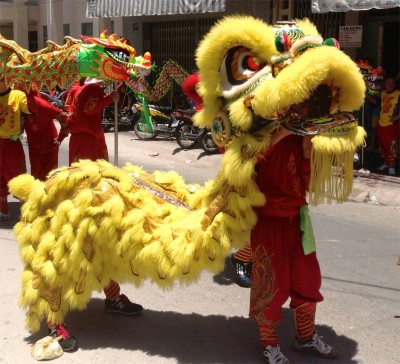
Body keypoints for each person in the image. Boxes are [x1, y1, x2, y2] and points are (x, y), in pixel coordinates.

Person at [48, 79, 143, 352]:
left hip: (90, 154)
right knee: (76, 241)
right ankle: (53, 315)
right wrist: (110, 97)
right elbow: (86, 111)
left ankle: (111, 296)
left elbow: (72, 118)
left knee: (100, 238)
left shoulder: (83, 89)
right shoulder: (90, 90)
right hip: (86, 160)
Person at [249, 126, 339, 364]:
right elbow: (244, 162)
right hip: (266, 218)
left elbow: (307, 184)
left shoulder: (300, 135)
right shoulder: (256, 129)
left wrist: (307, 147)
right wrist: (283, 133)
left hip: (297, 218)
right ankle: (269, 344)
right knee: (269, 285)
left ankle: (306, 338)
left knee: (308, 279)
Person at [0, 77, 38, 221]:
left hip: (11, 144)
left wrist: (28, 91)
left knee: (18, 178)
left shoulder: (18, 95)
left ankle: (26, 211)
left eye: (1, 78)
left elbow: (32, 109)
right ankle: (3, 210)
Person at [24, 89, 69, 181]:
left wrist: (60, 137)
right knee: (36, 179)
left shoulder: (45, 106)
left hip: (50, 145)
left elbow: (64, 118)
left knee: (50, 178)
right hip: (33, 147)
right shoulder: (20, 105)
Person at [376, 77, 400, 175]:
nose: (389, 84)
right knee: (382, 146)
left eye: (391, 82)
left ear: (394, 84)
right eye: (388, 82)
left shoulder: (398, 93)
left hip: (391, 124)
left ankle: (392, 167)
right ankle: (386, 163)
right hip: (381, 123)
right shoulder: (382, 93)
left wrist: (396, 117)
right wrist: (364, 94)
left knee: (391, 146)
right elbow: (375, 103)